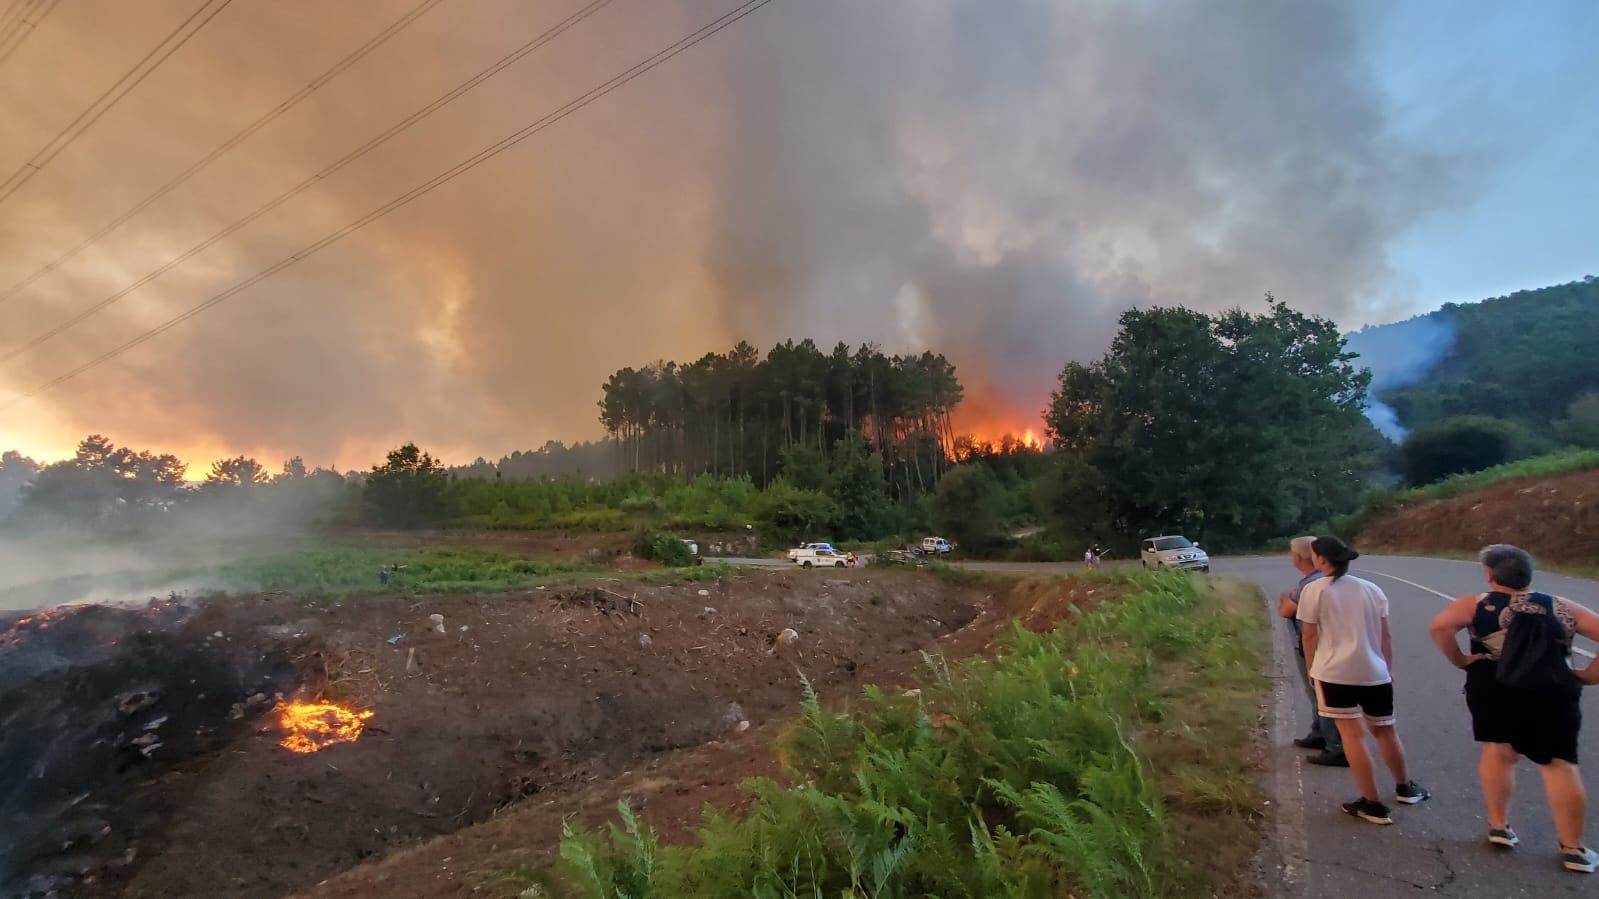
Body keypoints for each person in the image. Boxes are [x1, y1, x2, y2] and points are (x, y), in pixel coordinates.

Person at [1428, 544, 1599, 872]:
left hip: (1493, 684)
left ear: (1490, 574)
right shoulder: (1561, 607)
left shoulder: (1476, 604)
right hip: (1551, 689)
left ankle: (1499, 826)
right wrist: (1589, 675)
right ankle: (1574, 848)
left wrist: (1461, 660)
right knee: (1559, 763)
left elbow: (1439, 627)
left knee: (1499, 750)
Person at [1296, 536, 1429, 824]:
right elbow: (1385, 634)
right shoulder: (1372, 589)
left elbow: (1308, 634)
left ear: (1320, 560)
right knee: (1385, 731)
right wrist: (1387, 667)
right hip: (1375, 671)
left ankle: (1372, 802)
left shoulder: (1314, 590)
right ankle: (1405, 787)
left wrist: (1310, 667)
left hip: (1333, 672)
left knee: (1351, 735)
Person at [1278, 536, 1346, 766]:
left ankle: (1335, 746)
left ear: (1298, 557)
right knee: (1316, 695)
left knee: (1320, 695)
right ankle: (1319, 732)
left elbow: (1286, 610)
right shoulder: (1317, 580)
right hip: (1327, 644)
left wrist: (1286, 598)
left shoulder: (1310, 584)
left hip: (1315, 648)